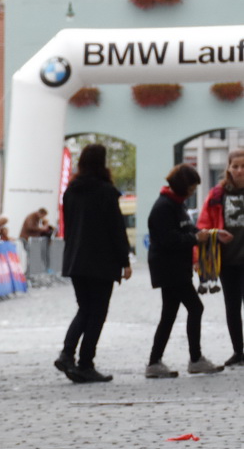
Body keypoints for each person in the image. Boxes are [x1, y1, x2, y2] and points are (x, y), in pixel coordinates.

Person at [57, 142, 133, 383]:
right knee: (97, 313)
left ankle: (67, 353)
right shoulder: (106, 192)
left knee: (84, 309)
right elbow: (116, 229)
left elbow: (68, 227)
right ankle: (85, 363)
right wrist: (124, 261)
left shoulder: (71, 191)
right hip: (101, 262)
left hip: (76, 260)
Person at [145, 164, 224, 378]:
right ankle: (195, 359)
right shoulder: (163, 207)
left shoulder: (176, 204)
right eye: (191, 187)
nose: (193, 191)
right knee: (195, 307)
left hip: (176, 268)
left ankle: (154, 362)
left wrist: (209, 233)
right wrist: (195, 239)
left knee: (169, 314)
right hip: (168, 268)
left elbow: (187, 228)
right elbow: (166, 240)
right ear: (182, 186)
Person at [197, 148, 244, 364]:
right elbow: (203, 226)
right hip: (227, 261)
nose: (239, 171)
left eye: (243, 167)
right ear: (228, 168)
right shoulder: (217, 195)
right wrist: (198, 258)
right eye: (235, 166)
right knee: (232, 307)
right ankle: (238, 351)